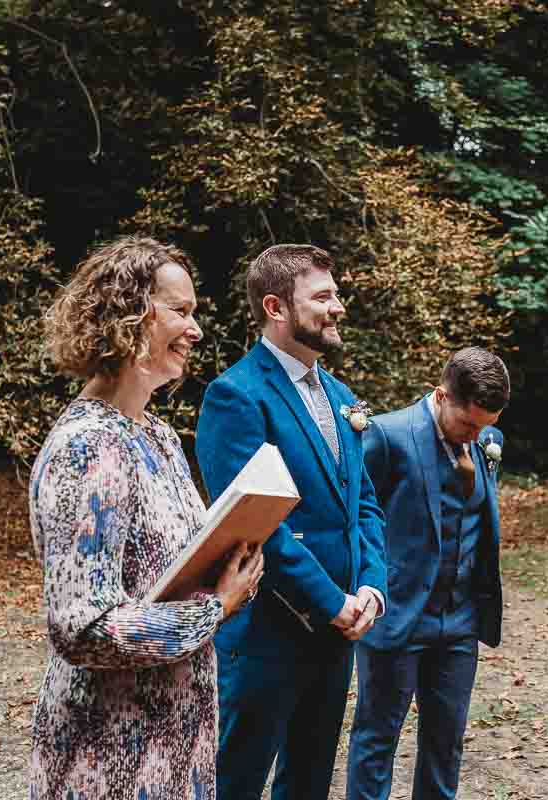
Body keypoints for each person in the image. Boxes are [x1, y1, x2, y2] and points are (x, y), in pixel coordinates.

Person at [27, 236, 264, 800]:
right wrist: (214, 608)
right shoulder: (89, 448)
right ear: (128, 314)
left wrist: (234, 560)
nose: (196, 329)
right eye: (180, 311)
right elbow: (81, 628)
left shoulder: (156, 436)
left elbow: (167, 572)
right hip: (107, 755)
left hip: (175, 746)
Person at [195, 244, 387, 800]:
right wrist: (332, 602)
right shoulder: (236, 396)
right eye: (323, 296)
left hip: (337, 636)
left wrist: (371, 588)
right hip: (266, 639)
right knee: (236, 784)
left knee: (307, 785)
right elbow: (256, 527)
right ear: (276, 307)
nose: (338, 307)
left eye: (337, 294)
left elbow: (365, 506)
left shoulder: (342, 396)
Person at [346, 347, 510, 800]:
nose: (477, 436)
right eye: (468, 424)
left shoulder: (484, 440)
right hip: (398, 615)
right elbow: (360, 519)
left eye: (485, 427)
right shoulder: (387, 435)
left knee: (446, 743)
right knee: (376, 740)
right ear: (441, 396)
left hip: (459, 623)